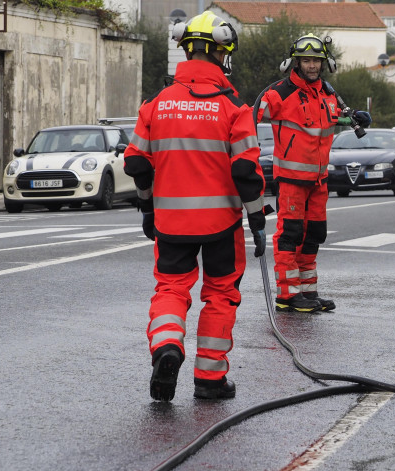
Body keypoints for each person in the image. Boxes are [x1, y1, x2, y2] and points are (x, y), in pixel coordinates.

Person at [123, 11, 267, 402]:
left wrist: (148, 208)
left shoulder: (156, 103)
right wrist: (256, 219)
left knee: (171, 288)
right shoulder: (233, 106)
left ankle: (167, 346)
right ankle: (209, 378)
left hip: (171, 222)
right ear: (222, 53)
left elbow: (136, 162)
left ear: (185, 50)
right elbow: (246, 171)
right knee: (220, 294)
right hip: (221, 223)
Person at [255, 34, 370, 314]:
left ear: (324, 63)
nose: (311, 66)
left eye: (316, 61)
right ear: (296, 62)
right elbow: (249, 118)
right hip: (292, 180)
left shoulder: (327, 94)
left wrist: (354, 116)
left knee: (314, 235)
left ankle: (307, 291)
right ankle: (287, 295)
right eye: (306, 60)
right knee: (290, 235)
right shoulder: (280, 94)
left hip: (318, 182)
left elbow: (334, 119)